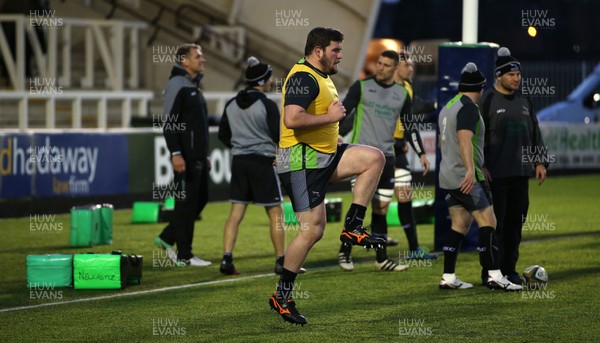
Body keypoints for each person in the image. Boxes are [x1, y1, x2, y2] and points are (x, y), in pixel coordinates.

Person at [268, 27, 386, 326]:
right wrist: (331, 118)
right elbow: (292, 119)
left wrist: (332, 126)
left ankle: (353, 227)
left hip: (322, 155)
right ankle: (282, 296)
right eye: (335, 49)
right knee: (311, 231)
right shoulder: (303, 77)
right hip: (300, 161)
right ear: (318, 50)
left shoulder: (320, 77)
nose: (340, 55)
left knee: (374, 158)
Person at [336, 50, 430, 272]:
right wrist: (334, 134)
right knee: (359, 206)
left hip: (388, 159)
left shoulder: (402, 94)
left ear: (395, 68)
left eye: (386, 65)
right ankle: (345, 252)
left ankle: (381, 258)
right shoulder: (361, 86)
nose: (380, 67)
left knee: (381, 209)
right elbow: (342, 112)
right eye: (379, 63)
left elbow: (410, 126)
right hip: (361, 158)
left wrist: (422, 153)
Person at [437, 62, 522, 291]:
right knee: (489, 221)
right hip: (464, 176)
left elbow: (443, 141)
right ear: (481, 88)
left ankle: (448, 276)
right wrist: (470, 170)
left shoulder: (449, 106)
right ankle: (495, 275)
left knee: (459, 224)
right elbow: (464, 138)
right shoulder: (469, 108)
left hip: (447, 175)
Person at [479, 47, 547, 285]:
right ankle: (491, 272)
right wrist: (482, 165)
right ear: (499, 76)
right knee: (495, 225)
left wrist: (539, 160)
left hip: (520, 173)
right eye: (511, 75)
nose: (516, 78)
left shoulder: (525, 100)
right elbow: (477, 137)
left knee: (515, 226)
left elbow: (535, 132)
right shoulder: (487, 100)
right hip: (495, 175)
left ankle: (509, 270)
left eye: (518, 75)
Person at [217, 56, 286, 275]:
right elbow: (278, 136)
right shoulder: (266, 104)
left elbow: (223, 135)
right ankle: (281, 261)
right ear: (264, 80)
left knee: (236, 213)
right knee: (276, 213)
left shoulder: (230, 104)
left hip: (239, 162)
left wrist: (240, 145)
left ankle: (227, 259)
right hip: (263, 162)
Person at [153, 43, 211, 267]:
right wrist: (176, 153)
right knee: (185, 203)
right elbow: (170, 123)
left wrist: (203, 154)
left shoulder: (192, 85)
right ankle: (184, 255)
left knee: (200, 200)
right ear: (184, 61)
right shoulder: (177, 84)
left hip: (196, 156)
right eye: (198, 56)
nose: (202, 59)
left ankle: (167, 238)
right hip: (184, 157)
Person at [378, 50, 438, 260]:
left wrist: (420, 152)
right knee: (379, 203)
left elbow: (410, 124)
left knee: (404, 196)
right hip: (379, 152)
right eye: (408, 65)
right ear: (395, 67)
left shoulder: (407, 89)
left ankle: (413, 248)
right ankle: (350, 250)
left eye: (412, 65)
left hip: (397, 152)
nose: (411, 68)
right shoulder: (381, 90)